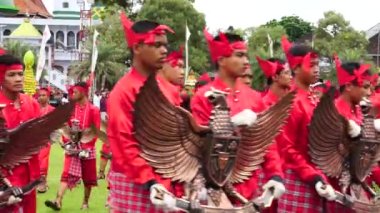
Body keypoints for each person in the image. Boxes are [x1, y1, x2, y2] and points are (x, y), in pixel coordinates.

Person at [191, 29, 286, 204]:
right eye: (239, 55)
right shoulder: (204, 96)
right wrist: (230, 124)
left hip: (249, 187)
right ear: (221, 60)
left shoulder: (254, 98)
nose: (246, 61)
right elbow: (201, 146)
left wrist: (275, 174)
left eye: (246, 55)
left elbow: (266, 141)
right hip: (216, 190)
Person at [106, 12, 182, 212]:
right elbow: (124, 143)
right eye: (157, 45)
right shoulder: (122, 92)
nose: (164, 50)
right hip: (135, 181)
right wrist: (150, 182)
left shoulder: (168, 89)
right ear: (137, 47)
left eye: (165, 45)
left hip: (167, 180)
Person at [275, 36, 336, 212]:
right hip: (297, 178)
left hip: (316, 177)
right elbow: (288, 149)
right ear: (296, 67)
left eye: (318, 64)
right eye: (312, 65)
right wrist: (312, 176)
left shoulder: (312, 98)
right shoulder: (291, 101)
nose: (317, 70)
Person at [45, 82, 100, 210]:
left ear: (83, 92)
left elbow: (95, 131)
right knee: (66, 173)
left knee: (88, 177)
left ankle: (85, 202)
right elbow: (66, 127)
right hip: (73, 145)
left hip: (87, 147)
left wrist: (87, 147)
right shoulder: (71, 109)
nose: (72, 94)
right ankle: (58, 200)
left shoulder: (93, 110)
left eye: (75, 92)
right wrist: (67, 143)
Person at [329, 58, 372, 212]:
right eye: (365, 87)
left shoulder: (357, 109)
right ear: (348, 86)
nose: (369, 93)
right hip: (336, 187)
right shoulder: (335, 113)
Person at [0, 51, 41, 213]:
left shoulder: (31, 103)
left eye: (20, 74)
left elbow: (39, 141)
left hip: (30, 177)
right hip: (6, 178)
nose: (18, 79)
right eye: (11, 75)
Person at [36, 87, 55, 193]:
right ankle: (34, 182)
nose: (41, 97)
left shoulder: (52, 110)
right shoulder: (34, 107)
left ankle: (43, 182)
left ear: (48, 97)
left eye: (43, 95)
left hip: (45, 139)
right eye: (39, 95)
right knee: (34, 160)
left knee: (43, 160)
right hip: (33, 139)